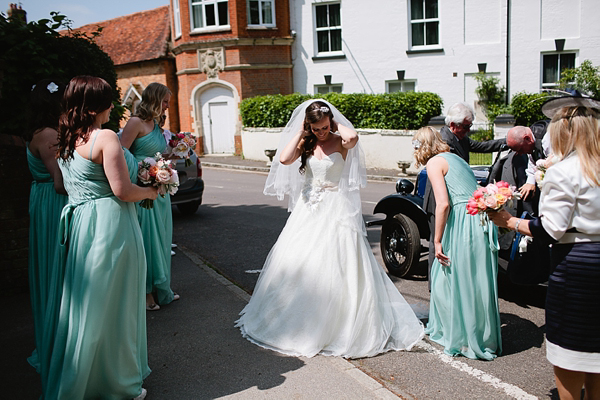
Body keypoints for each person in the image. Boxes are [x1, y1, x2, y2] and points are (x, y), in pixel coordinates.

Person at [236, 99, 424, 358]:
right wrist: (303, 134)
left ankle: (338, 323)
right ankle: (297, 320)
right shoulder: (307, 141)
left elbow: (354, 136)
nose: (321, 133)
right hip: (308, 209)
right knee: (302, 263)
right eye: (316, 129)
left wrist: (333, 123)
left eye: (324, 127)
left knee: (338, 263)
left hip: (336, 208)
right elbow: (284, 158)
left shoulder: (340, 140)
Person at [45, 76, 156, 400]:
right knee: (119, 304)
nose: (113, 107)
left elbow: (63, 186)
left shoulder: (66, 138)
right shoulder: (105, 137)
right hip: (110, 226)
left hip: (80, 225)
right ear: (97, 106)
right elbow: (122, 190)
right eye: (109, 101)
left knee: (89, 305)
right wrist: (152, 189)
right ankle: (119, 383)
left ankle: (86, 377)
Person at [488, 97, 600, 399]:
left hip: (576, 264)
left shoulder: (564, 172)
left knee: (572, 353)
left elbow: (550, 229)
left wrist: (509, 221)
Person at [414, 126, 502, 360]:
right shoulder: (456, 158)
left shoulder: (435, 162)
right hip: (479, 219)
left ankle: (461, 338)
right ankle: (477, 336)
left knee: (449, 277)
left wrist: (437, 240)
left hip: (463, 220)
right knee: (474, 280)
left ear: (422, 146)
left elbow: (443, 203)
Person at [424, 102, 507, 285]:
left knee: (450, 239)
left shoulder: (460, 137)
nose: (469, 131)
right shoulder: (445, 141)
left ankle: (452, 282)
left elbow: (482, 146)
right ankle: (435, 284)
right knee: (436, 240)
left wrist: (506, 142)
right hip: (441, 197)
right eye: (467, 127)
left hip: (455, 197)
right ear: (454, 125)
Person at [120, 82, 179, 311]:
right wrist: (145, 169)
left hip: (160, 190)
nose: (166, 106)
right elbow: (122, 155)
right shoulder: (135, 123)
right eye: (164, 102)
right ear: (154, 99)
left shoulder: (156, 124)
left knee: (162, 239)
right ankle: (145, 293)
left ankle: (161, 287)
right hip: (143, 189)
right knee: (147, 241)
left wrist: (172, 155)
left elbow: (160, 154)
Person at [25, 79, 68, 378]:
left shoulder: (38, 133)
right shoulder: (51, 135)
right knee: (58, 270)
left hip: (41, 201)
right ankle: (60, 344)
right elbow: (60, 182)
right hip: (53, 203)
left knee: (50, 268)